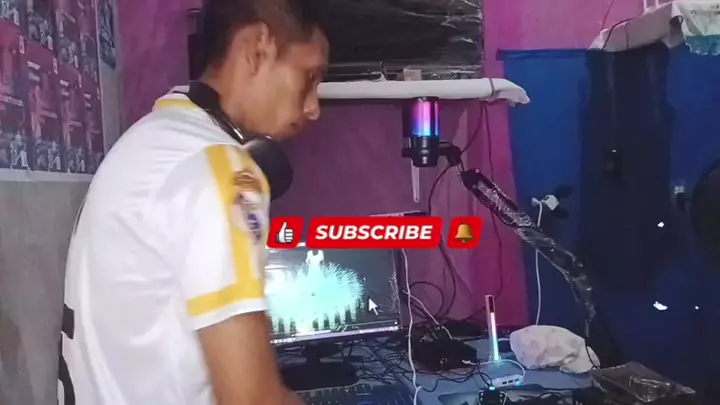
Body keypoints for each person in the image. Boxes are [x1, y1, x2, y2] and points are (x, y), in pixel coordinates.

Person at [57, 0, 328, 404]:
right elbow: (251, 400)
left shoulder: (151, 142)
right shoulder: (223, 170)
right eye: (309, 78)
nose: (313, 108)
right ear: (258, 48)